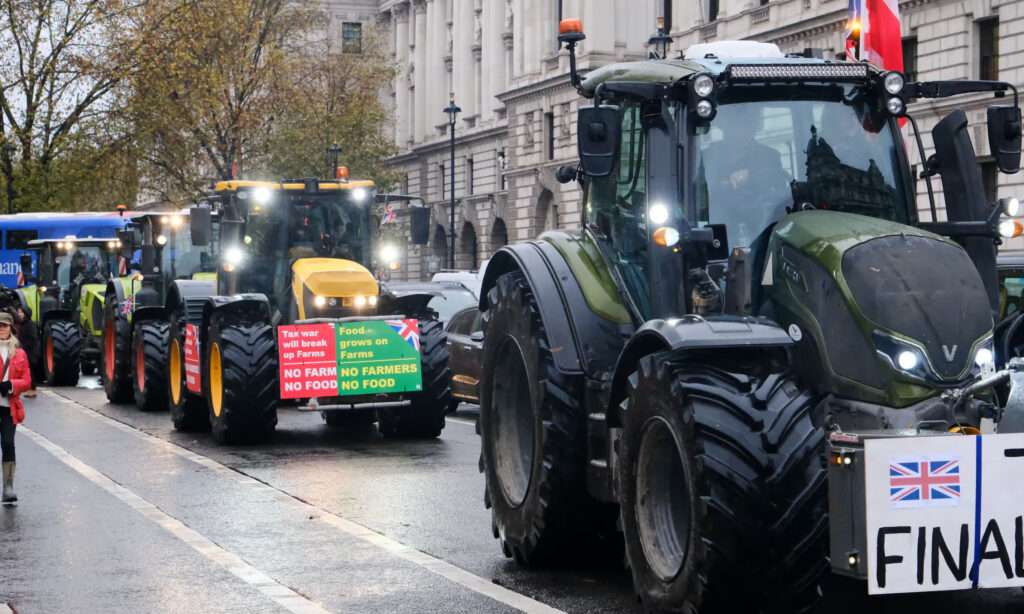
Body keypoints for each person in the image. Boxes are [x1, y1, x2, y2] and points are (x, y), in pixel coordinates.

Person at [0, 312, 32, 504]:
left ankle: (8, 486)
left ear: (11, 328)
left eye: (4, 325)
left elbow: (27, 381)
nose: (1, 329)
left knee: (8, 444)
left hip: (8, 408)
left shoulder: (19, 353)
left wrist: (11, 385)